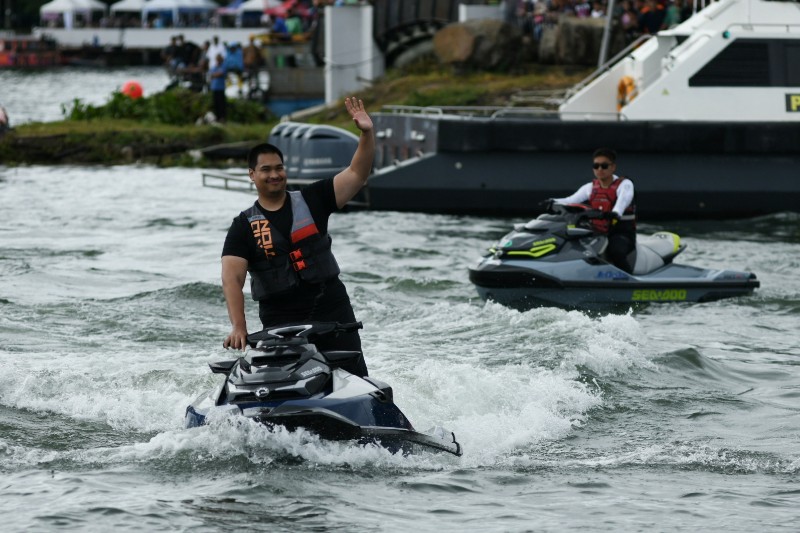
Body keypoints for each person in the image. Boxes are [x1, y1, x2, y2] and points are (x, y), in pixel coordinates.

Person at [221, 97, 374, 377]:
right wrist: (239, 326)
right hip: (280, 319)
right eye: (266, 170)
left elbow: (357, 173)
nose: (274, 174)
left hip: (332, 310)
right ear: (252, 176)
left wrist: (366, 133)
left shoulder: (313, 199)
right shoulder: (243, 226)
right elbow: (232, 279)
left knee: (352, 378)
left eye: (279, 168)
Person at [550, 148, 637, 273]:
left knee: (616, 251)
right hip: (597, 233)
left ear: (613, 167)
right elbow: (570, 200)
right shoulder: (590, 187)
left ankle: (628, 283)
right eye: (596, 166)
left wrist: (616, 212)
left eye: (604, 165)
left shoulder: (625, 185)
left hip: (621, 234)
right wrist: (552, 201)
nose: (600, 169)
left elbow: (623, 201)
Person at [209, 52, 227, 123]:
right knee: (215, 104)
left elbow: (220, 73)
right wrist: (215, 74)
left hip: (221, 88)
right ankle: (217, 118)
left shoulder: (223, 66)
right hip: (214, 88)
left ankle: (223, 118)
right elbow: (211, 75)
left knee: (221, 104)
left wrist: (215, 75)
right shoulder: (214, 67)